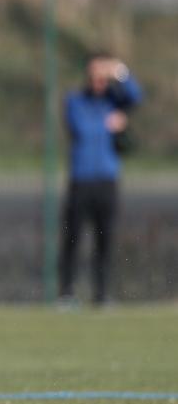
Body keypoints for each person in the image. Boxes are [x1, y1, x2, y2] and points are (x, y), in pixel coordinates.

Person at [59, 53, 142, 307]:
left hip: (107, 180)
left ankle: (103, 294)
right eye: (95, 75)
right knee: (72, 238)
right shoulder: (76, 101)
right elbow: (81, 128)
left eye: (103, 76)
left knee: (105, 239)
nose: (99, 81)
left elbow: (137, 96)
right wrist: (109, 124)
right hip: (81, 180)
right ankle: (67, 294)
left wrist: (121, 71)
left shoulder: (114, 101)